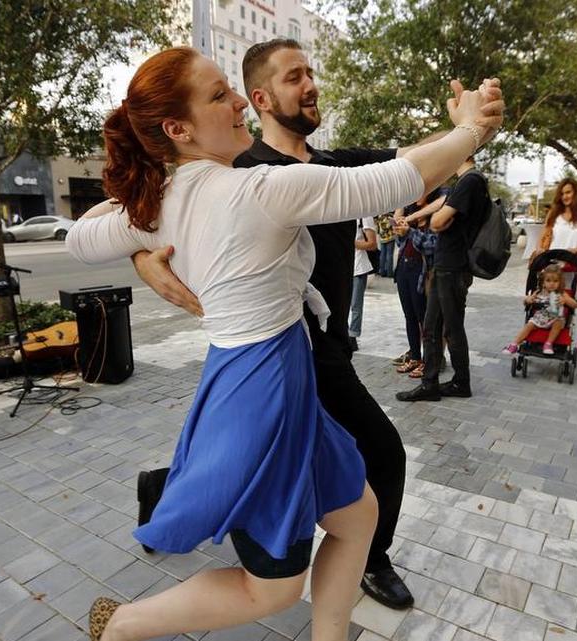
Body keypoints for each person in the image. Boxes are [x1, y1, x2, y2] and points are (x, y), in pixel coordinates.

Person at [69, 47, 503, 641]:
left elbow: (80, 238)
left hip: (278, 375)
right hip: (261, 393)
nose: (238, 102)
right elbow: (396, 181)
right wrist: (473, 129)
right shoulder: (258, 188)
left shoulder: (166, 204)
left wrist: (143, 236)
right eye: (220, 95)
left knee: (359, 518)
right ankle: (121, 626)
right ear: (178, 128)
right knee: (270, 588)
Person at [396, 156, 490, 403]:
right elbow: (438, 218)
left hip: (452, 266)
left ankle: (458, 381)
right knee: (434, 326)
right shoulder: (470, 182)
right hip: (447, 266)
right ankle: (434, 382)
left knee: (450, 327)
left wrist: (439, 220)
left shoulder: (469, 181)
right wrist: (439, 219)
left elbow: (437, 221)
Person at [391, 190, 443, 378]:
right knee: (410, 316)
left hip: (422, 273)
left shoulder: (436, 218)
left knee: (425, 319)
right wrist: (401, 222)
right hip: (404, 269)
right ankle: (415, 357)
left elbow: (433, 246)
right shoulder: (411, 217)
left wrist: (411, 232)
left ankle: (429, 361)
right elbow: (399, 241)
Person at [502, 264, 577, 355]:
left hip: (555, 318)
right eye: (548, 280)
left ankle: (548, 344)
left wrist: (566, 300)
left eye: (555, 281)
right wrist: (528, 299)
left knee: (559, 322)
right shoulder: (538, 292)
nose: (552, 283)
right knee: (529, 325)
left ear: (560, 282)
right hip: (540, 318)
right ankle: (514, 344)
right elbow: (526, 301)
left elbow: (575, 305)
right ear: (543, 282)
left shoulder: (561, 293)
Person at [533, 178, 577, 258]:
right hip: (551, 261)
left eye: (568, 192)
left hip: (572, 262)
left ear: (576, 193)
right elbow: (543, 235)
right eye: (561, 194)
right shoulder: (553, 213)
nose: (564, 197)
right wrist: (539, 249)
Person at [348, 216, 378, 352]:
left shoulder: (365, 217)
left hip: (359, 266)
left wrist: (349, 242)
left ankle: (352, 335)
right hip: (343, 265)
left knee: (356, 305)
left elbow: (372, 244)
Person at [375, 212, 396, 278]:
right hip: (390, 237)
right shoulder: (389, 217)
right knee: (389, 255)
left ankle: (382, 271)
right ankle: (389, 272)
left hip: (382, 238)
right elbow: (392, 225)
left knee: (382, 255)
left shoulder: (379, 216)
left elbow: (378, 228)